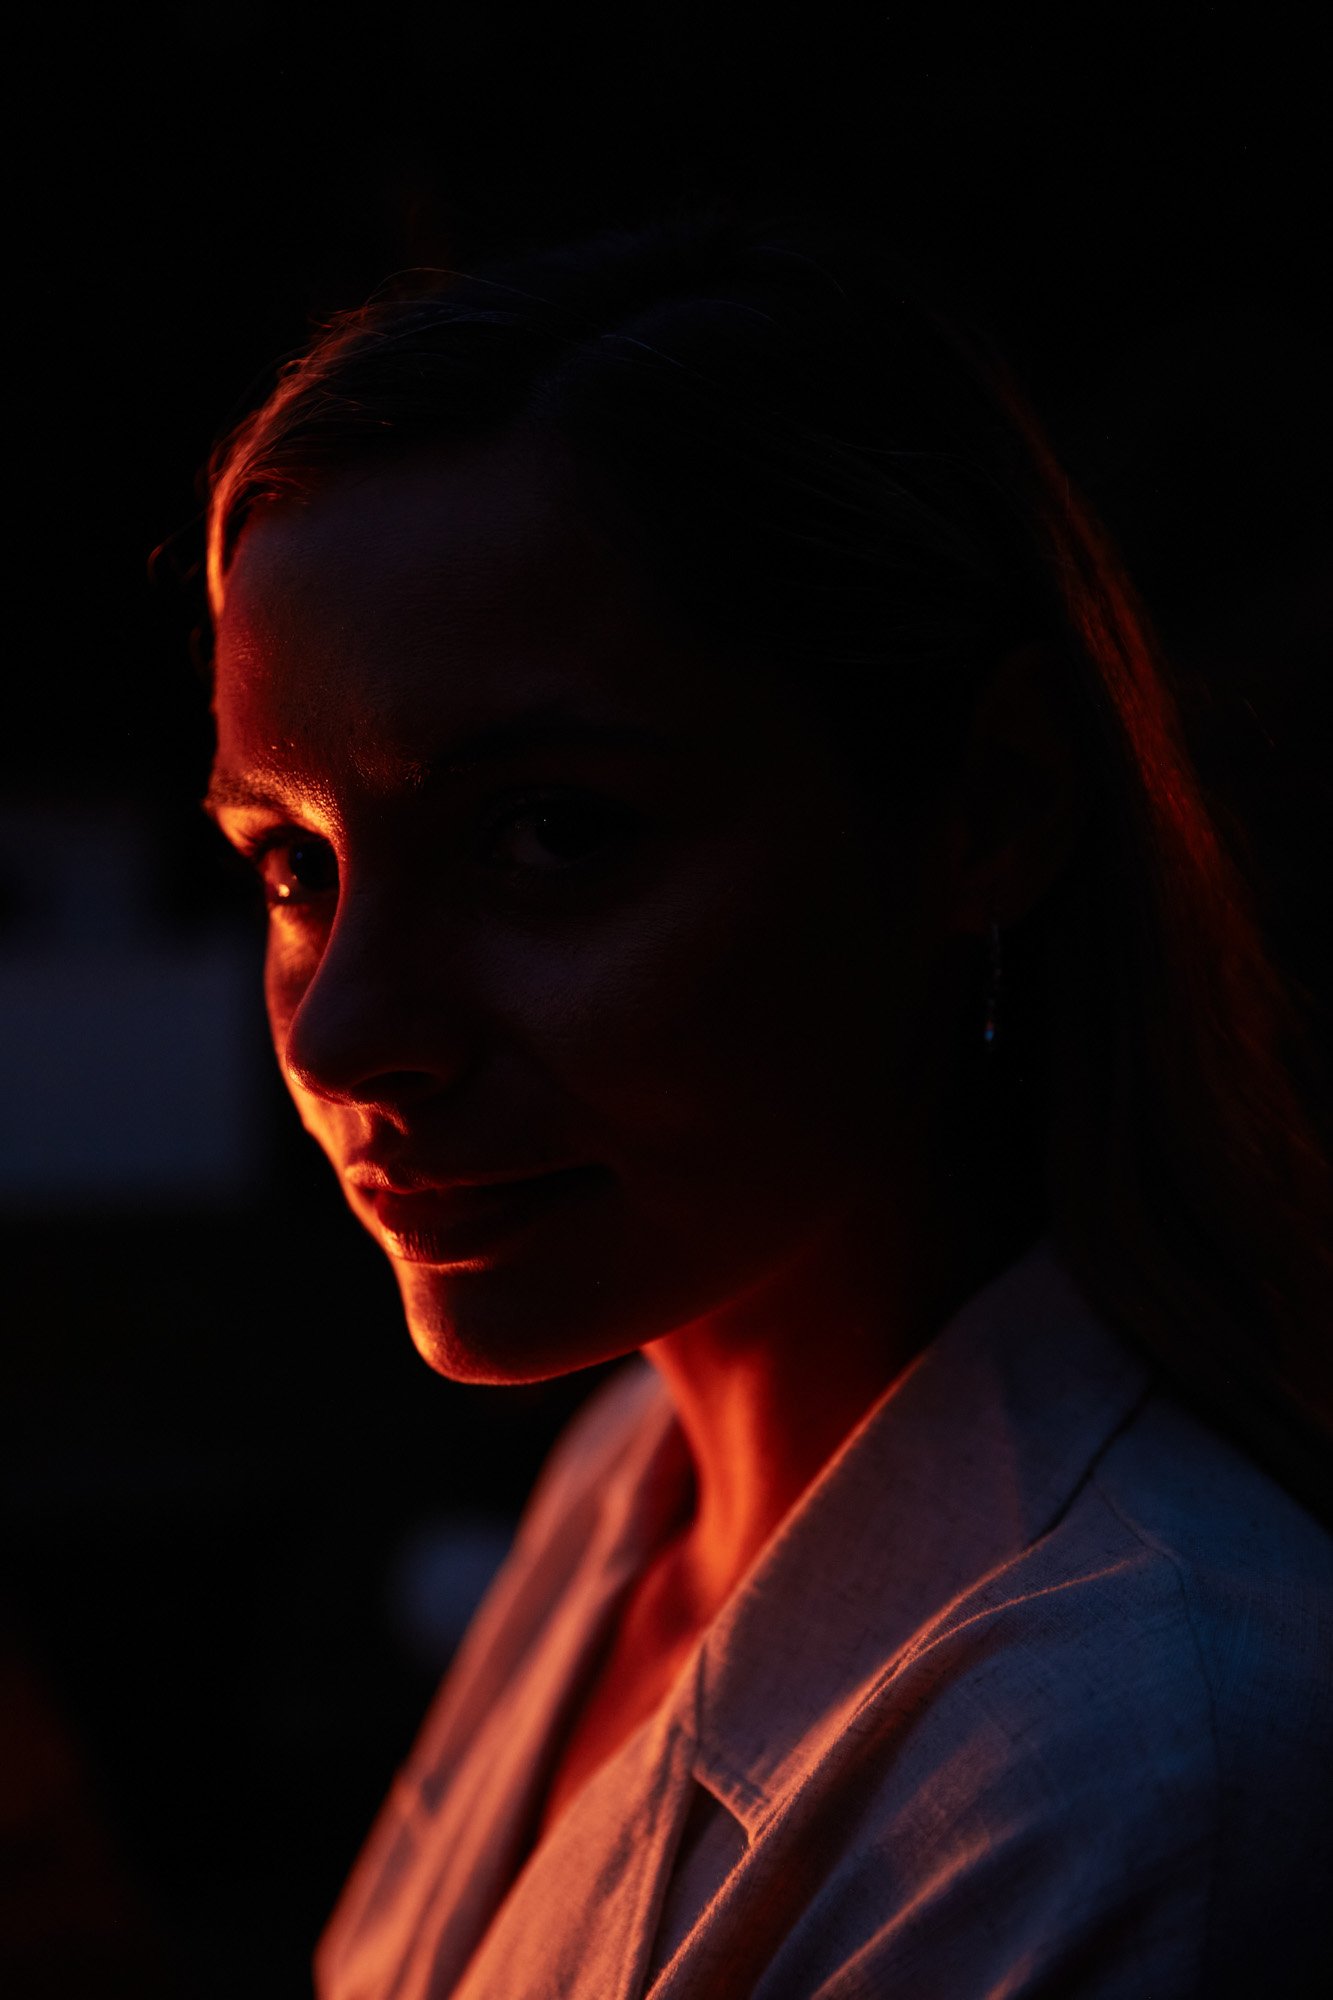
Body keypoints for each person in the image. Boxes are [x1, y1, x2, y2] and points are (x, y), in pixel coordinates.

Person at [201, 204, 1333, 1997]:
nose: (343, 1035)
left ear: (988, 808)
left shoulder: (1136, 1770)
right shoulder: (633, 1471)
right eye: (293, 866)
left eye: (549, 835)